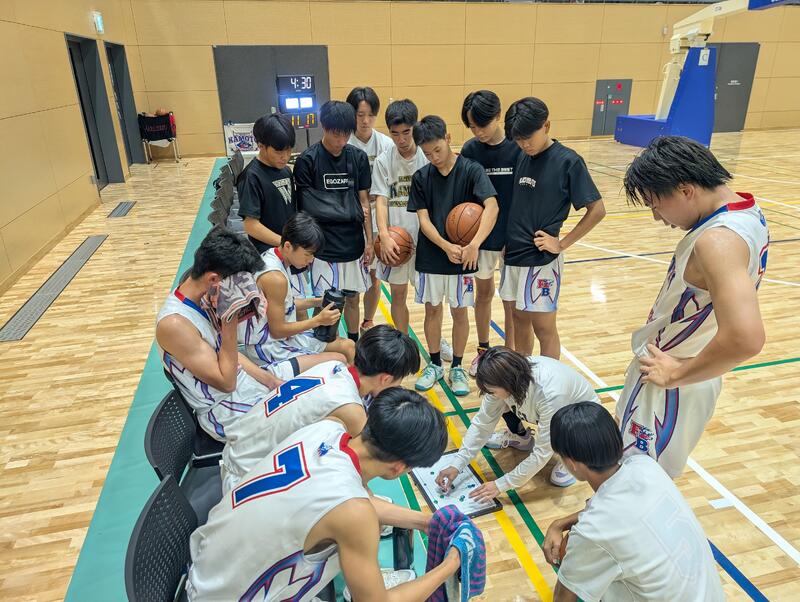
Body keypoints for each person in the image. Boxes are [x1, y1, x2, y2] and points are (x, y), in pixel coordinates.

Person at [186, 389, 463, 601]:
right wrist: (450, 565)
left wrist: (424, 522)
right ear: (399, 468)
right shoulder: (354, 513)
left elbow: (348, 501)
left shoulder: (328, 428)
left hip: (205, 573)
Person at [617, 135, 768, 477]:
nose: (657, 217)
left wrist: (675, 375)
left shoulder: (717, 240)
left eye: (656, 204)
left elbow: (747, 338)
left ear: (686, 190)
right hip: (689, 370)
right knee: (643, 471)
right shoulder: (747, 209)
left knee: (639, 477)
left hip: (673, 377)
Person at [543, 402, 724, 602]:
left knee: (574, 552)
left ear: (571, 463)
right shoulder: (646, 466)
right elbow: (614, 515)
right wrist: (559, 524)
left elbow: (563, 598)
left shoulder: (592, 531)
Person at [222, 324, 420, 493]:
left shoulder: (332, 365)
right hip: (245, 480)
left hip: (234, 452)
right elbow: (360, 475)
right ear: (386, 378)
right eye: (400, 379)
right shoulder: (352, 412)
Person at [155, 227, 287, 441]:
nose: (244, 290)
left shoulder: (201, 297)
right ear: (214, 279)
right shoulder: (174, 325)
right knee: (318, 419)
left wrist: (270, 381)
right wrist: (230, 318)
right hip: (227, 413)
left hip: (245, 387)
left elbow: (229, 355)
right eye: (240, 283)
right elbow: (226, 383)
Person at [501, 97, 606, 357]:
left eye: (528, 137)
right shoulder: (522, 156)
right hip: (514, 254)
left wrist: (562, 243)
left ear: (546, 126)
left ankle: (551, 379)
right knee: (519, 319)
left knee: (544, 328)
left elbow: (597, 209)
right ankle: (523, 376)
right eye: (518, 139)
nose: (524, 144)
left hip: (542, 259)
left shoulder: (568, 161)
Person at [407, 115, 498, 397]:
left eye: (437, 149)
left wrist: (475, 244)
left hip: (465, 256)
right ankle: (434, 363)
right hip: (432, 255)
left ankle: (457, 366)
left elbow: (492, 206)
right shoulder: (421, 177)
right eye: (427, 153)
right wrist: (446, 246)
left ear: (448, 138)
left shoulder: (471, 170)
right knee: (432, 310)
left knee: (460, 311)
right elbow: (423, 220)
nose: (434, 157)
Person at [436, 347, 600, 495]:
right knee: (499, 403)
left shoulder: (550, 394)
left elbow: (542, 452)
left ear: (507, 383)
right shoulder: (505, 377)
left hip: (581, 420)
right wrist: (457, 464)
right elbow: (482, 424)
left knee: (558, 478)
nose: (490, 394)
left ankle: (574, 454)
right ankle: (523, 437)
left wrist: (501, 485)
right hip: (542, 410)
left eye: (492, 391)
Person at [294, 100, 373, 343]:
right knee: (325, 302)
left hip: (353, 244)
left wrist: (370, 241)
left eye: (346, 135)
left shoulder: (358, 158)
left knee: (353, 299)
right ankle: (323, 346)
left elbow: (364, 203)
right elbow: (307, 208)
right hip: (322, 248)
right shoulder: (307, 160)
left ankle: (353, 344)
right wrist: (349, 211)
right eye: (336, 134)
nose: (341, 141)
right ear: (324, 127)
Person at [239, 212, 355, 367]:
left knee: (348, 346)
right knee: (339, 359)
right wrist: (317, 320)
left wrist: (318, 302)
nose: (311, 260)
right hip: (270, 349)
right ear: (288, 246)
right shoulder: (275, 278)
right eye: (308, 254)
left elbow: (284, 305)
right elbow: (277, 330)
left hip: (280, 340)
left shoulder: (274, 256)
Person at [460, 90, 521, 376]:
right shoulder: (471, 150)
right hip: (480, 238)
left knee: (511, 301)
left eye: (482, 125)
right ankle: (483, 350)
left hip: (512, 238)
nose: (478, 132)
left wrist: (515, 235)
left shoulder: (517, 148)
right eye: (472, 126)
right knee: (483, 294)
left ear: (498, 116)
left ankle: (510, 354)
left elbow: (523, 197)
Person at [372, 99, 428, 335]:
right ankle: (403, 340)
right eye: (395, 134)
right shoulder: (384, 160)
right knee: (398, 295)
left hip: (426, 239)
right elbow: (381, 201)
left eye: (406, 132)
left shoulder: (427, 156)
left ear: (415, 127)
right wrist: (384, 236)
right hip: (397, 240)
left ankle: (436, 343)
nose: (401, 139)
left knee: (432, 300)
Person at [346, 87, 394, 337]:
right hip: (350, 218)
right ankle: (351, 330)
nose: (365, 121)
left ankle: (368, 321)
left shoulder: (386, 144)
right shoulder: (344, 143)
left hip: (378, 217)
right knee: (352, 281)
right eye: (360, 115)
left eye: (371, 115)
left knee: (374, 276)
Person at [236, 114, 297, 254]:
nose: (285, 156)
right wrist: (285, 244)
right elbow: (251, 226)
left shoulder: (286, 170)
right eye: (278, 151)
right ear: (261, 146)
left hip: (288, 249)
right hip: (268, 254)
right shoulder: (251, 177)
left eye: (289, 149)